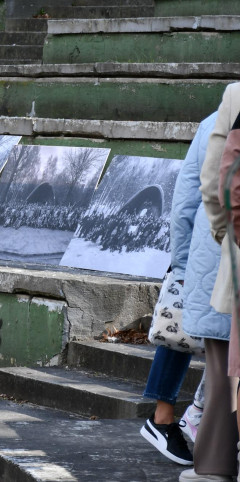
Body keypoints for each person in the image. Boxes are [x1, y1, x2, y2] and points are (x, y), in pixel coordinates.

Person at [140, 114, 220, 466]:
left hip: (211, 249)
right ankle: (167, 417)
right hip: (211, 250)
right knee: (180, 326)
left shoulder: (215, 121)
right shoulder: (216, 123)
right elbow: (186, 198)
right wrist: (183, 263)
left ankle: (191, 416)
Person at [187, 88, 240, 482]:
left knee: (224, 371)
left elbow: (212, 183)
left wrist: (228, 237)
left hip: (231, 259)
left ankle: (213, 468)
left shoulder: (236, 95)